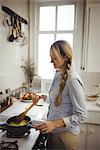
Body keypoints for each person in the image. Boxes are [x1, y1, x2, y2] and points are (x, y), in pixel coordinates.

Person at [34, 40, 87, 150]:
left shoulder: (72, 80)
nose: (51, 61)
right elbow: (59, 100)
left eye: (54, 58)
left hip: (65, 136)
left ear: (66, 57)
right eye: (51, 57)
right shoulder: (58, 74)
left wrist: (55, 124)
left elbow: (81, 115)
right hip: (54, 132)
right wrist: (43, 97)